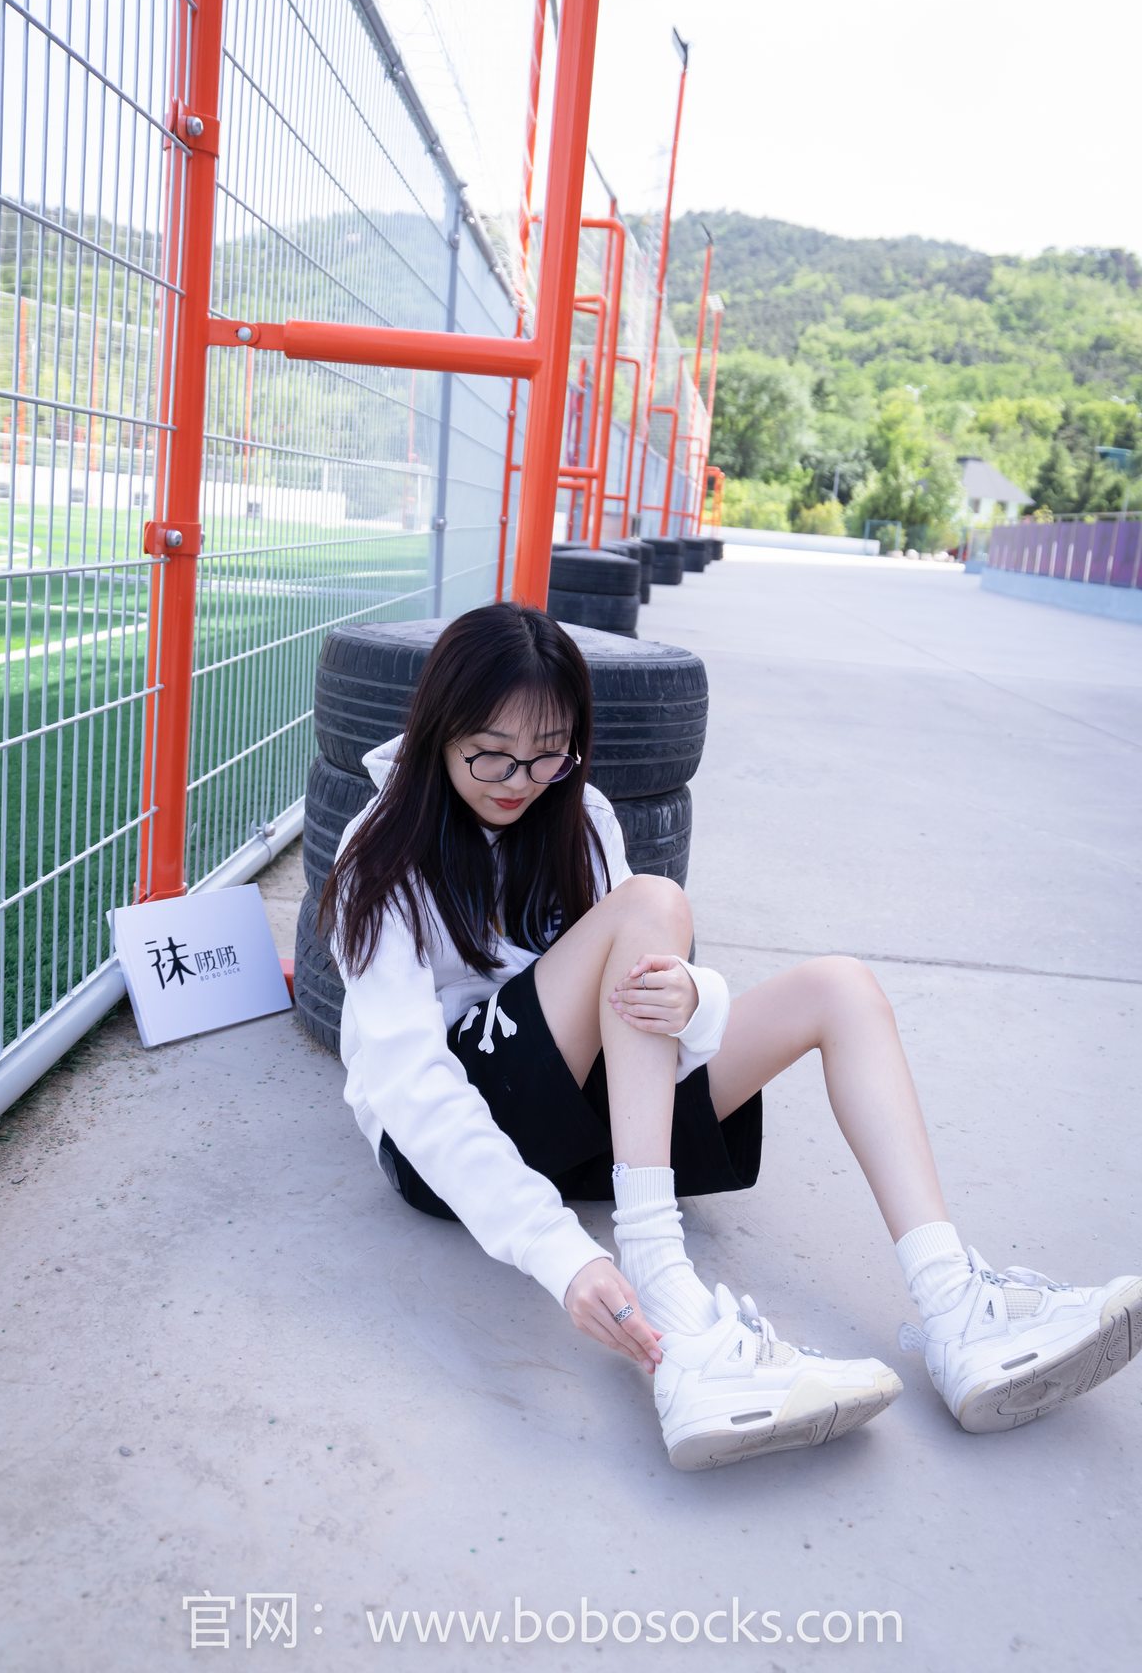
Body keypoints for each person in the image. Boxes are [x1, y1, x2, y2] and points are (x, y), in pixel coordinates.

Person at [317, 600, 1141, 1472]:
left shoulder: (578, 815)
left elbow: (647, 997)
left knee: (841, 989)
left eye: (549, 752)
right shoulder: (381, 855)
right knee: (653, 903)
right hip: (450, 1153)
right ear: (438, 730)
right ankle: (667, 1294)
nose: (520, 779)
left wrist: (699, 1001)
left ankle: (955, 1307)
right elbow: (411, 1084)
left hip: (579, 1125)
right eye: (491, 752)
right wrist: (562, 1255)